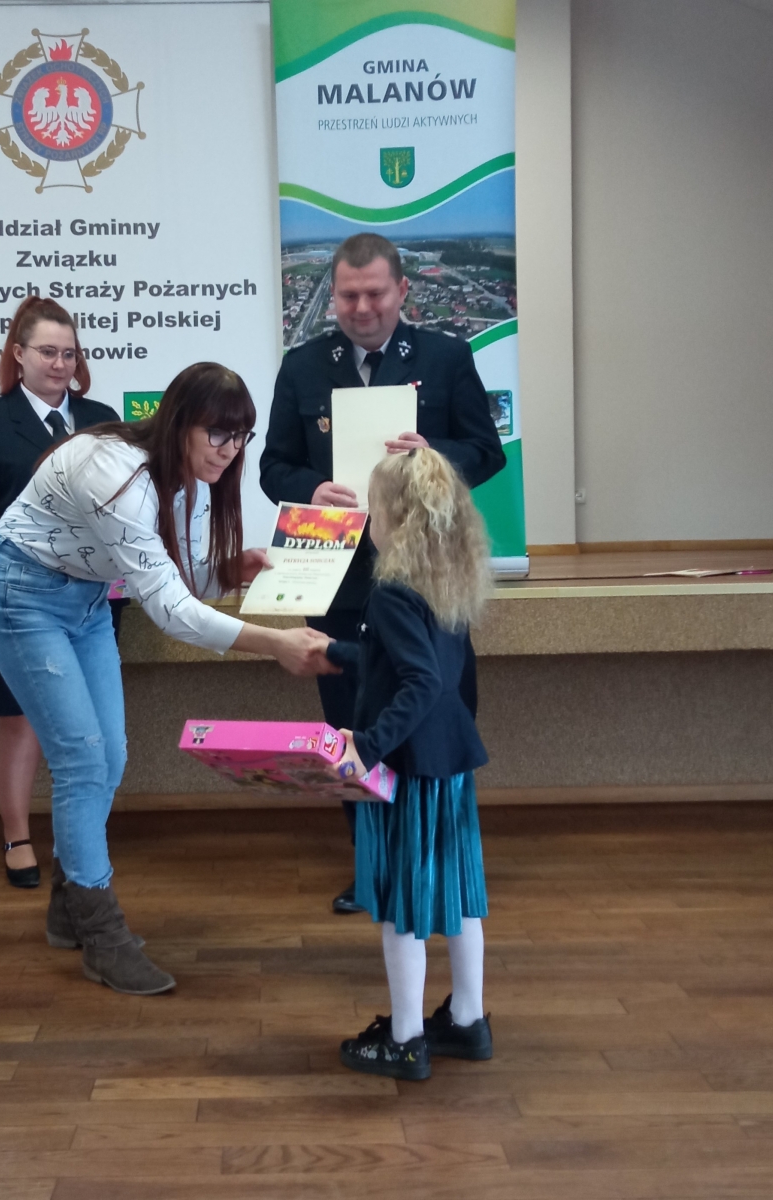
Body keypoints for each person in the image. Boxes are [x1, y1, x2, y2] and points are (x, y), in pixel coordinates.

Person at [0, 362, 334, 995]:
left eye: (241, 436)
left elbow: (181, 578)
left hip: (85, 601)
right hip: (18, 593)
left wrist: (233, 568)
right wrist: (274, 643)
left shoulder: (184, 479)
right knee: (83, 760)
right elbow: (170, 611)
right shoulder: (118, 473)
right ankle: (101, 934)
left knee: (109, 756)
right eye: (217, 433)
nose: (230, 449)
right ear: (179, 422)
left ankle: (67, 908)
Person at [260, 232, 506, 915]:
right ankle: (372, 861)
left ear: (402, 291)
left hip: (428, 578)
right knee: (352, 718)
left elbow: (487, 452)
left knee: (437, 706)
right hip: (338, 575)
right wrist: (310, 488)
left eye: (374, 293)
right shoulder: (303, 366)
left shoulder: (446, 358)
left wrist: (434, 456)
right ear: (333, 297)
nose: (361, 308)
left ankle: (438, 857)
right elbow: (273, 466)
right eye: (348, 295)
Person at [324, 448, 493, 1081]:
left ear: (394, 519)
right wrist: (338, 651)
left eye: (372, 508)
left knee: (403, 906)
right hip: (450, 763)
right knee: (461, 897)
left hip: (408, 772)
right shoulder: (445, 582)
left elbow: (419, 682)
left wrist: (365, 747)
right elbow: (414, 664)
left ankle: (405, 1039)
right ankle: (468, 1020)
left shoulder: (392, 592)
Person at [0, 297, 118, 888]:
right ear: (18, 354)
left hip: (88, 600)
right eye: (48, 352)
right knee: (17, 716)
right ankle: (16, 836)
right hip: (13, 599)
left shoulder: (101, 419)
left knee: (96, 734)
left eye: (70, 353)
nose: (61, 364)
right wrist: (21, 556)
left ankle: (82, 847)